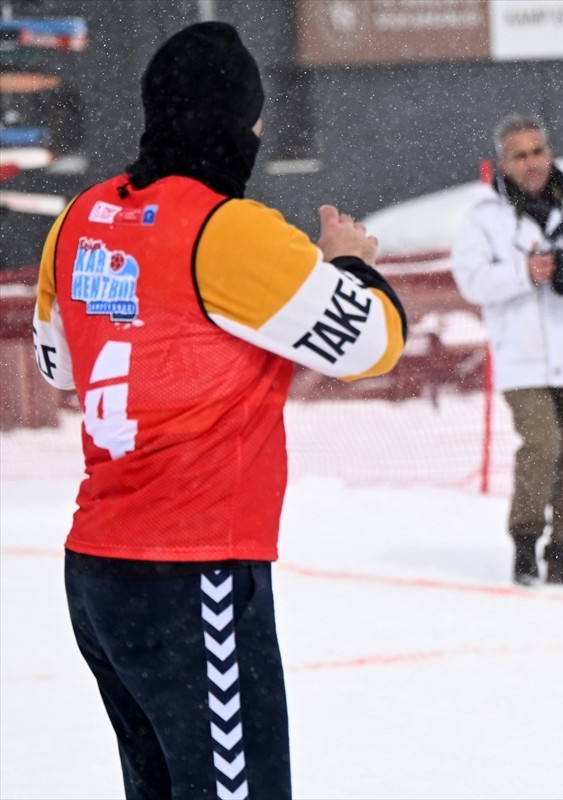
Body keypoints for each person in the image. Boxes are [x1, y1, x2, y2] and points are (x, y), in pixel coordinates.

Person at [32, 23, 406, 799]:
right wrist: (349, 263)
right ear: (239, 120)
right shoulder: (225, 229)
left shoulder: (78, 219)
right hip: (194, 569)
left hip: (99, 571)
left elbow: (58, 365)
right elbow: (371, 344)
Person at [451, 113, 563, 587]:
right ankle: (525, 544)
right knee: (542, 447)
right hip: (521, 358)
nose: (532, 162)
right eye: (520, 155)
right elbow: (471, 280)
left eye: (537, 151)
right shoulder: (484, 216)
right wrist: (525, 273)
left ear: (549, 152)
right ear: (504, 163)